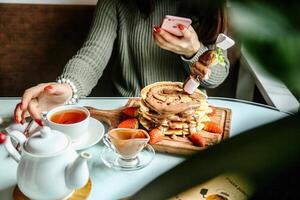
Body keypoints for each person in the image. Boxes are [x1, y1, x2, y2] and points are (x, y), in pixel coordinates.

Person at [14, 0, 229, 125]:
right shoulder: (116, 2)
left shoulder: (212, 5)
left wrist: (194, 51)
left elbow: (216, 77)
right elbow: (93, 54)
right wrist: (68, 87)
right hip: (129, 114)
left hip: (188, 116)